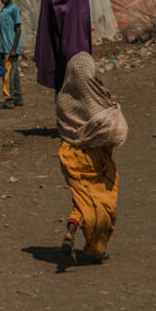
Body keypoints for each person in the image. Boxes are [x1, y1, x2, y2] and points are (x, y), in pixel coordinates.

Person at [56, 52, 127, 265]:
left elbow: (62, 127)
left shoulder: (62, 98)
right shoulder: (98, 96)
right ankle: (97, 249)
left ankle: (71, 231)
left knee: (82, 198)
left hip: (70, 155)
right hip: (95, 157)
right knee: (104, 199)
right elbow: (113, 125)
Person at [34, 0, 92, 93]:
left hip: (67, 50)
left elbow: (57, 4)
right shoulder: (83, 1)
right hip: (84, 52)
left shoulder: (68, 3)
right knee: (82, 83)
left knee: (65, 83)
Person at [0, 0, 23, 108]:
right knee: (14, 74)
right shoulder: (4, 9)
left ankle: (8, 99)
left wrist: (14, 48)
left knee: (7, 75)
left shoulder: (14, 9)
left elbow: (18, 29)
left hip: (10, 48)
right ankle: (17, 97)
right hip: (5, 47)